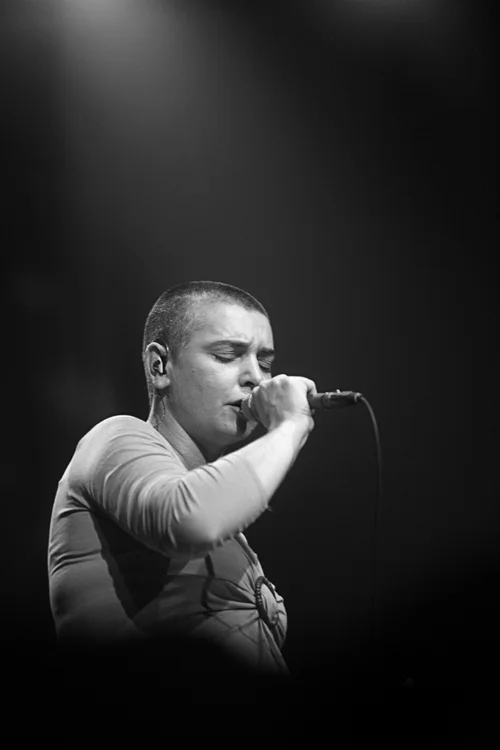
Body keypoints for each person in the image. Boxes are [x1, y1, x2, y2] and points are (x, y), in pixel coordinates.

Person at [47, 280, 316, 707]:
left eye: (264, 362)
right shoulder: (115, 437)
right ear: (160, 366)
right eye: (227, 355)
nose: (256, 377)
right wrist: (291, 426)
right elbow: (189, 519)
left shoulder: (222, 510)